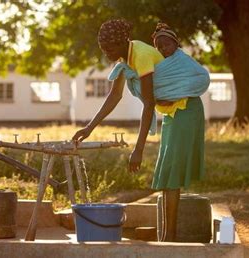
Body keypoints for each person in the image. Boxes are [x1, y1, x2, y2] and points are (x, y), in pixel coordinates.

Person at [72, 19, 208, 242]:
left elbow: (149, 103)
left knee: (170, 173)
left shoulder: (142, 56)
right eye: (103, 49)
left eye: (111, 48)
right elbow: (115, 96)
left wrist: (138, 149)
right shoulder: (126, 59)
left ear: (123, 42)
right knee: (166, 175)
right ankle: (167, 237)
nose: (107, 54)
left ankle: (170, 240)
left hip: (186, 109)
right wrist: (89, 127)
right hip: (174, 112)